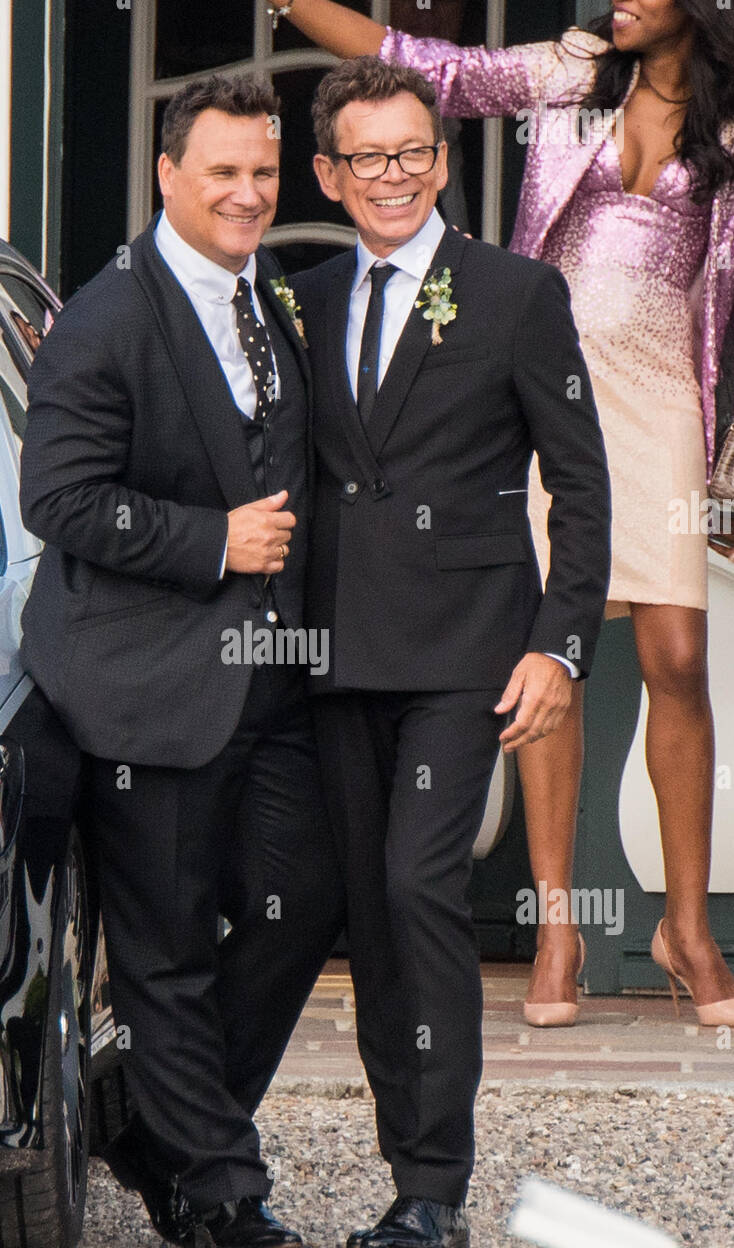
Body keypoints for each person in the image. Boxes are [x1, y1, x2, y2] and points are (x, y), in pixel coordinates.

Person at [268, 0, 734, 1029]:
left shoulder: (728, 116)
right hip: (545, 382)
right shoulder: (568, 74)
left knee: (678, 660)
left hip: (661, 397)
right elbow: (425, 62)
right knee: (547, 652)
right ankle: (559, 924)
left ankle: (684, 927)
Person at [291, 56, 610, 1248]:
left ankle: (435, 1184)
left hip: (464, 658)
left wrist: (560, 650)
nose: (392, 176)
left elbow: (581, 491)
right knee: (366, 913)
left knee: (422, 885)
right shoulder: (302, 299)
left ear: (441, 157)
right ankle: (392, 1163)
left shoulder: (519, 294)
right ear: (329, 171)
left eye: (413, 153)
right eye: (366, 157)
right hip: (329, 657)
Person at [18, 74, 342, 1248]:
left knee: (306, 895)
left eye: (263, 173)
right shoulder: (107, 316)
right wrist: (213, 541)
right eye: (223, 173)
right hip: (141, 686)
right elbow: (54, 498)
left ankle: (155, 1123)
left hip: (273, 677)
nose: (248, 194)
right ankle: (213, 1191)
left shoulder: (277, 303)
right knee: (162, 949)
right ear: (166, 176)